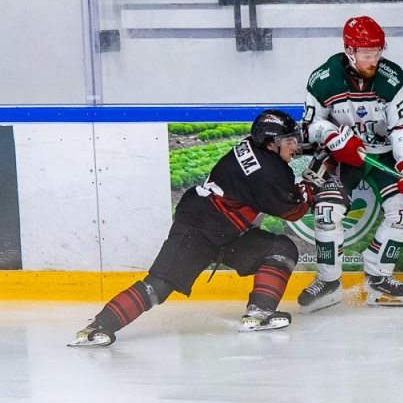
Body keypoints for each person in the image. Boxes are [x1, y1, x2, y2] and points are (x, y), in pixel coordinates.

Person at [70, 109, 317, 346]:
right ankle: (97, 327)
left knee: (281, 247)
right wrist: (312, 186)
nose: (294, 146)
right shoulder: (268, 172)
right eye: (289, 141)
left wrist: (315, 152)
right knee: (159, 285)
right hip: (200, 227)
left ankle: (259, 314)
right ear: (271, 143)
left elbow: (279, 173)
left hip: (225, 230)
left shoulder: (252, 146)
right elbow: (294, 211)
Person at [298, 15, 403, 313]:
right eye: (367, 53)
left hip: (383, 155)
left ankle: (379, 278)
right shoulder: (323, 78)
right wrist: (333, 136)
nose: (374, 59)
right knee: (327, 211)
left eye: (378, 52)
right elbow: (307, 126)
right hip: (343, 157)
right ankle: (328, 282)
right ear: (349, 50)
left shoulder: (392, 77)